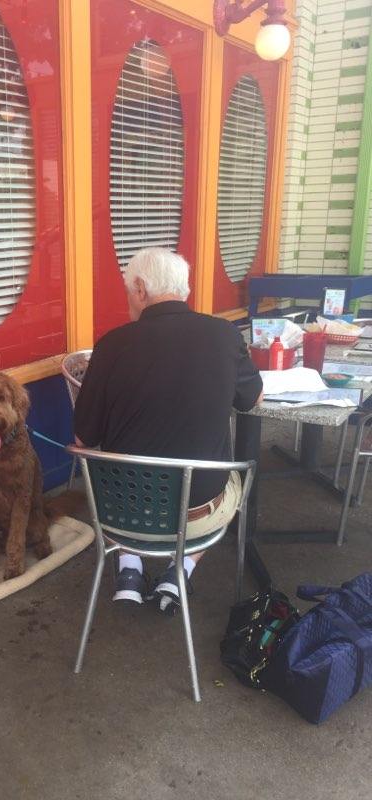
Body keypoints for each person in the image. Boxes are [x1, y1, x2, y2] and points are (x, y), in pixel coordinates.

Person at [74, 247, 263, 612]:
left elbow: (83, 439)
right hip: (197, 515)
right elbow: (252, 400)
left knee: (129, 471)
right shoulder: (224, 335)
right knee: (234, 479)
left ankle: (129, 568)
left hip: (121, 513)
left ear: (141, 290)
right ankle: (180, 571)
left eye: (130, 292)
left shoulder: (111, 344)